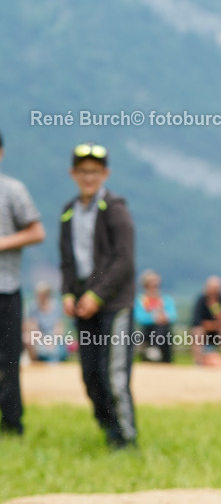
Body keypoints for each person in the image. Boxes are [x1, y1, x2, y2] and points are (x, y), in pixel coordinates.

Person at [59, 142, 136, 449]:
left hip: (114, 305)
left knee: (113, 376)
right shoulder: (68, 212)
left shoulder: (115, 209)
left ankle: (126, 441)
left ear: (105, 174)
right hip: (83, 307)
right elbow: (67, 260)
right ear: (73, 173)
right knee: (90, 375)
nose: (88, 178)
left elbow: (124, 260)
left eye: (94, 172)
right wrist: (67, 292)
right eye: (82, 172)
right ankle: (108, 432)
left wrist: (97, 295)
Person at [0, 129, 46, 434]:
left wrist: (2, 243)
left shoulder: (12, 190)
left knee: (8, 360)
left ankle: (11, 425)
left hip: (6, 288)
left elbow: (37, 232)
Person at [134, 269, 176, 363]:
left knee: (163, 327)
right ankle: (155, 349)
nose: (155, 288)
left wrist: (163, 317)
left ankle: (155, 349)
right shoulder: (141, 300)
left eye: (157, 285)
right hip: (148, 331)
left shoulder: (165, 300)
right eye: (152, 285)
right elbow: (140, 318)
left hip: (164, 333)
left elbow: (173, 316)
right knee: (160, 327)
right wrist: (155, 317)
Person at [191, 275, 221, 366]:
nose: (213, 291)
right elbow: (197, 322)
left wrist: (214, 306)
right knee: (197, 332)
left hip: (218, 333)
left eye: (216, 289)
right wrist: (215, 324)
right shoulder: (201, 300)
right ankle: (198, 363)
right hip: (204, 333)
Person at [25, 283, 67, 363]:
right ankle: (35, 362)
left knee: (54, 354)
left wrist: (52, 341)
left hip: (54, 340)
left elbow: (59, 329)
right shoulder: (33, 307)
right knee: (27, 338)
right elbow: (33, 328)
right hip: (40, 339)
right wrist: (44, 340)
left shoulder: (57, 306)